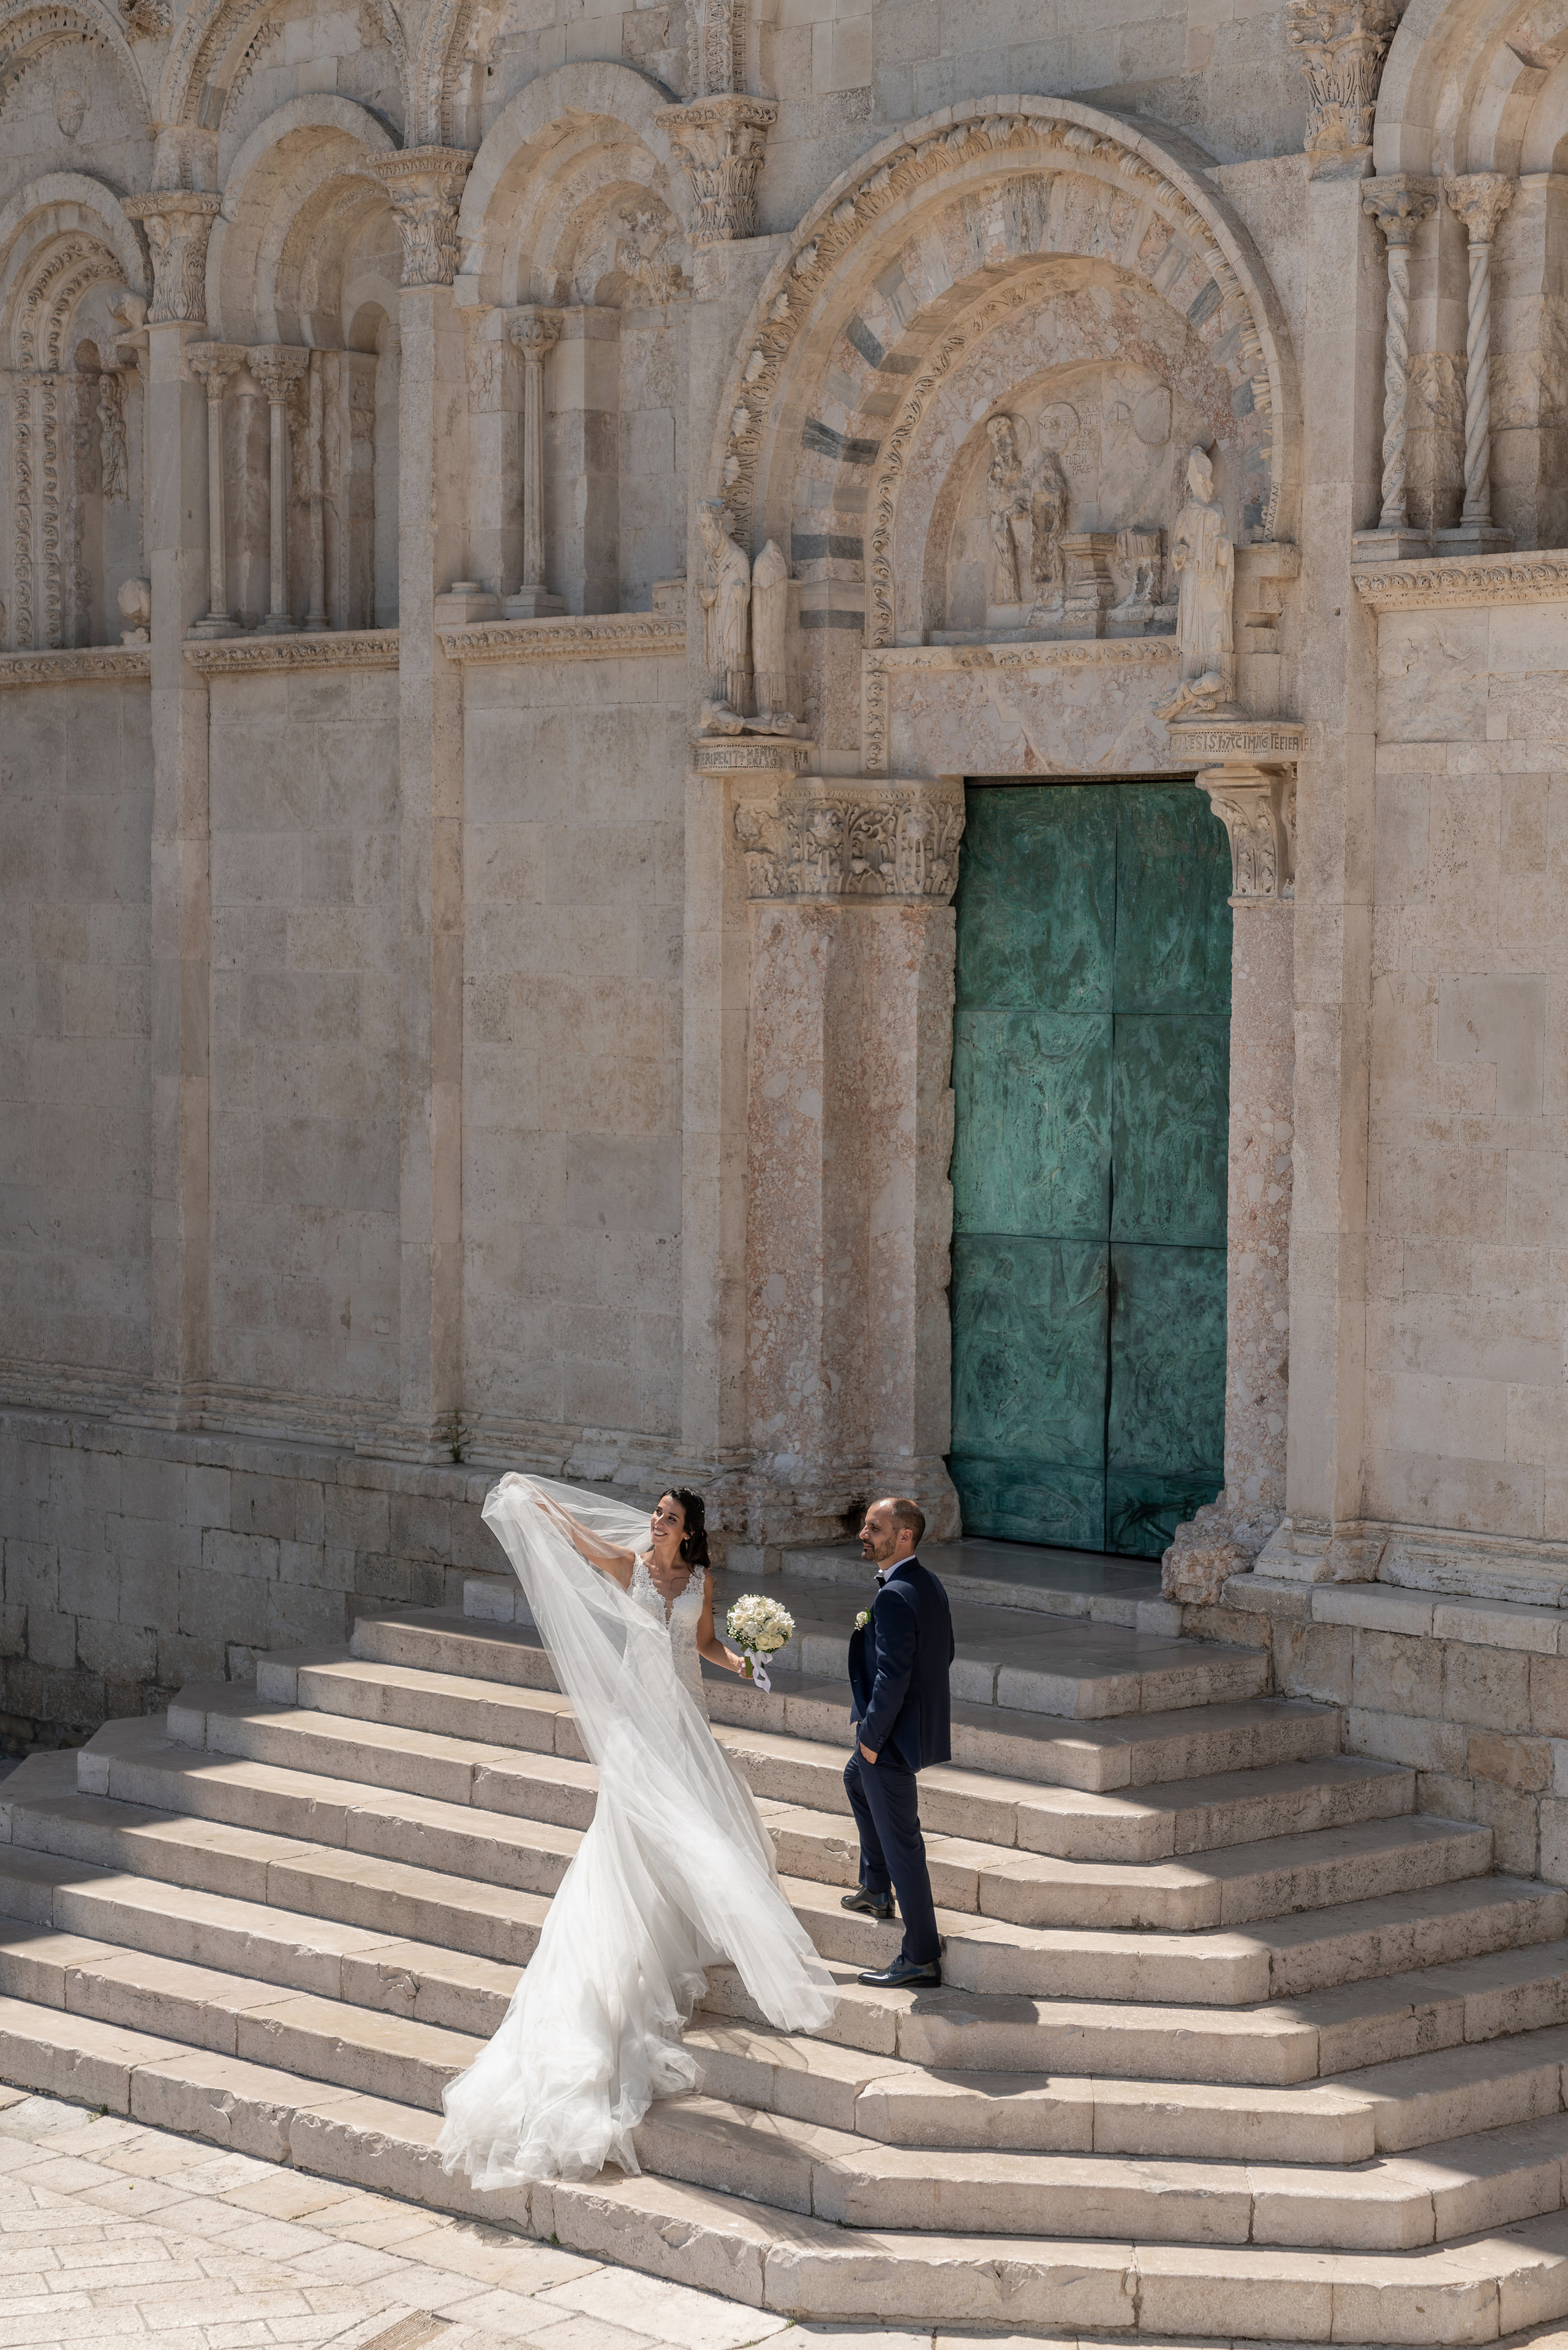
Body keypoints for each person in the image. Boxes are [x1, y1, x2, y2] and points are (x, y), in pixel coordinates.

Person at [436, 1475, 835, 2188]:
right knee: (643, 1829)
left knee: (706, 1818)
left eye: (668, 1517)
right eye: (654, 1513)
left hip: (685, 1716)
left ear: (690, 1529)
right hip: (636, 1721)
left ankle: (694, 1920)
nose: (655, 1523)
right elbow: (578, 1540)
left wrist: (740, 1660)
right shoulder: (629, 1565)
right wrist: (535, 1500)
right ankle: (638, 1938)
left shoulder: (701, 1577)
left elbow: (704, 1642)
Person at [842, 1495, 955, 1989]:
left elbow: (892, 1674)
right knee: (852, 1780)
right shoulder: (925, 1583)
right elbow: (945, 1653)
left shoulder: (893, 1595)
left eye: (874, 1527)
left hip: (886, 1740)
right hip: (903, 1731)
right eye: (866, 1525)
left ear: (903, 1535)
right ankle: (875, 1887)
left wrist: (871, 1737)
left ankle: (921, 1955)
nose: (863, 1534)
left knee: (903, 1842)